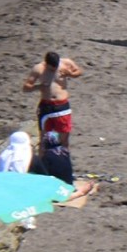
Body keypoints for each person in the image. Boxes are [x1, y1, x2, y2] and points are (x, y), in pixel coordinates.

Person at [25, 51, 81, 181]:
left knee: (64, 140)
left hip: (62, 106)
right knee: (44, 139)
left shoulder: (66, 63)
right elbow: (26, 87)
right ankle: (43, 171)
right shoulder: (38, 69)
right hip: (46, 106)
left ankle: (65, 169)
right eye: (52, 68)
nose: (55, 70)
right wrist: (39, 86)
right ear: (46, 64)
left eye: (56, 67)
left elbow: (79, 72)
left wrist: (71, 74)